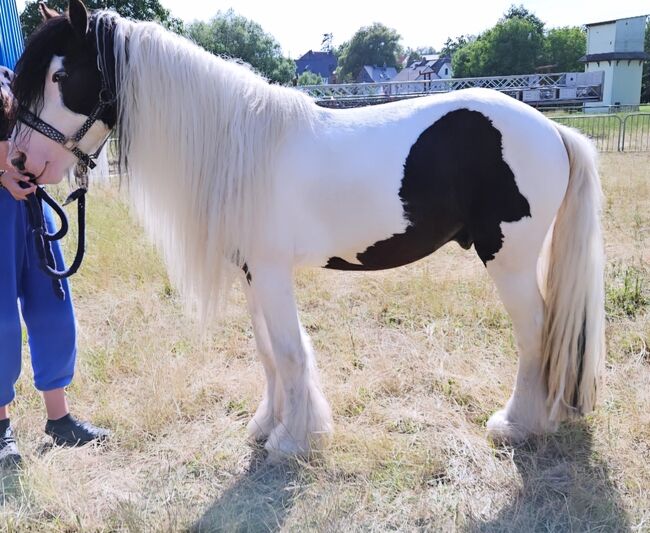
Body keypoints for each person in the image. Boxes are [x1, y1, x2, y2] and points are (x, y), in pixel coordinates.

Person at [0, 66, 109, 467]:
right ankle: (1, 430)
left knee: (54, 309)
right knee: (2, 323)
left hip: (30, 205)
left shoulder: (13, 76)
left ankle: (59, 419)